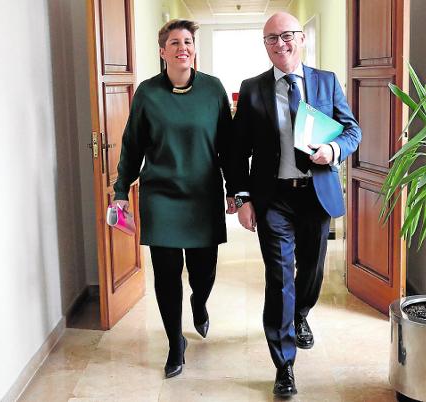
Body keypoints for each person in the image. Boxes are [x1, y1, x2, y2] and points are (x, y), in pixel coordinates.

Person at [228, 12, 362, 397]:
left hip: (316, 195)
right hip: (273, 199)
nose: (280, 43)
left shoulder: (326, 81)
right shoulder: (252, 89)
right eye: (272, 38)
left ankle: (301, 314)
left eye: (287, 35)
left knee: (312, 270)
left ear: (301, 39)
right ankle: (283, 364)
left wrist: (334, 149)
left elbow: (352, 129)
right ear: (265, 45)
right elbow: (238, 152)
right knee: (279, 277)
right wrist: (242, 198)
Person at [113, 19, 235, 379]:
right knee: (166, 276)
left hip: (203, 195)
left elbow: (227, 147)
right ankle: (173, 343)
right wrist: (121, 190)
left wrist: (235, 191)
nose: (183, 47)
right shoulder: (147, 94)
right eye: (175, 42)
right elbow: (132, 145)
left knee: (203, 272)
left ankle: (200, 302)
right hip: (161, 197)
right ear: (162, 51)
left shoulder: (213, 89)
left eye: (188, 41)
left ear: (194, 48)